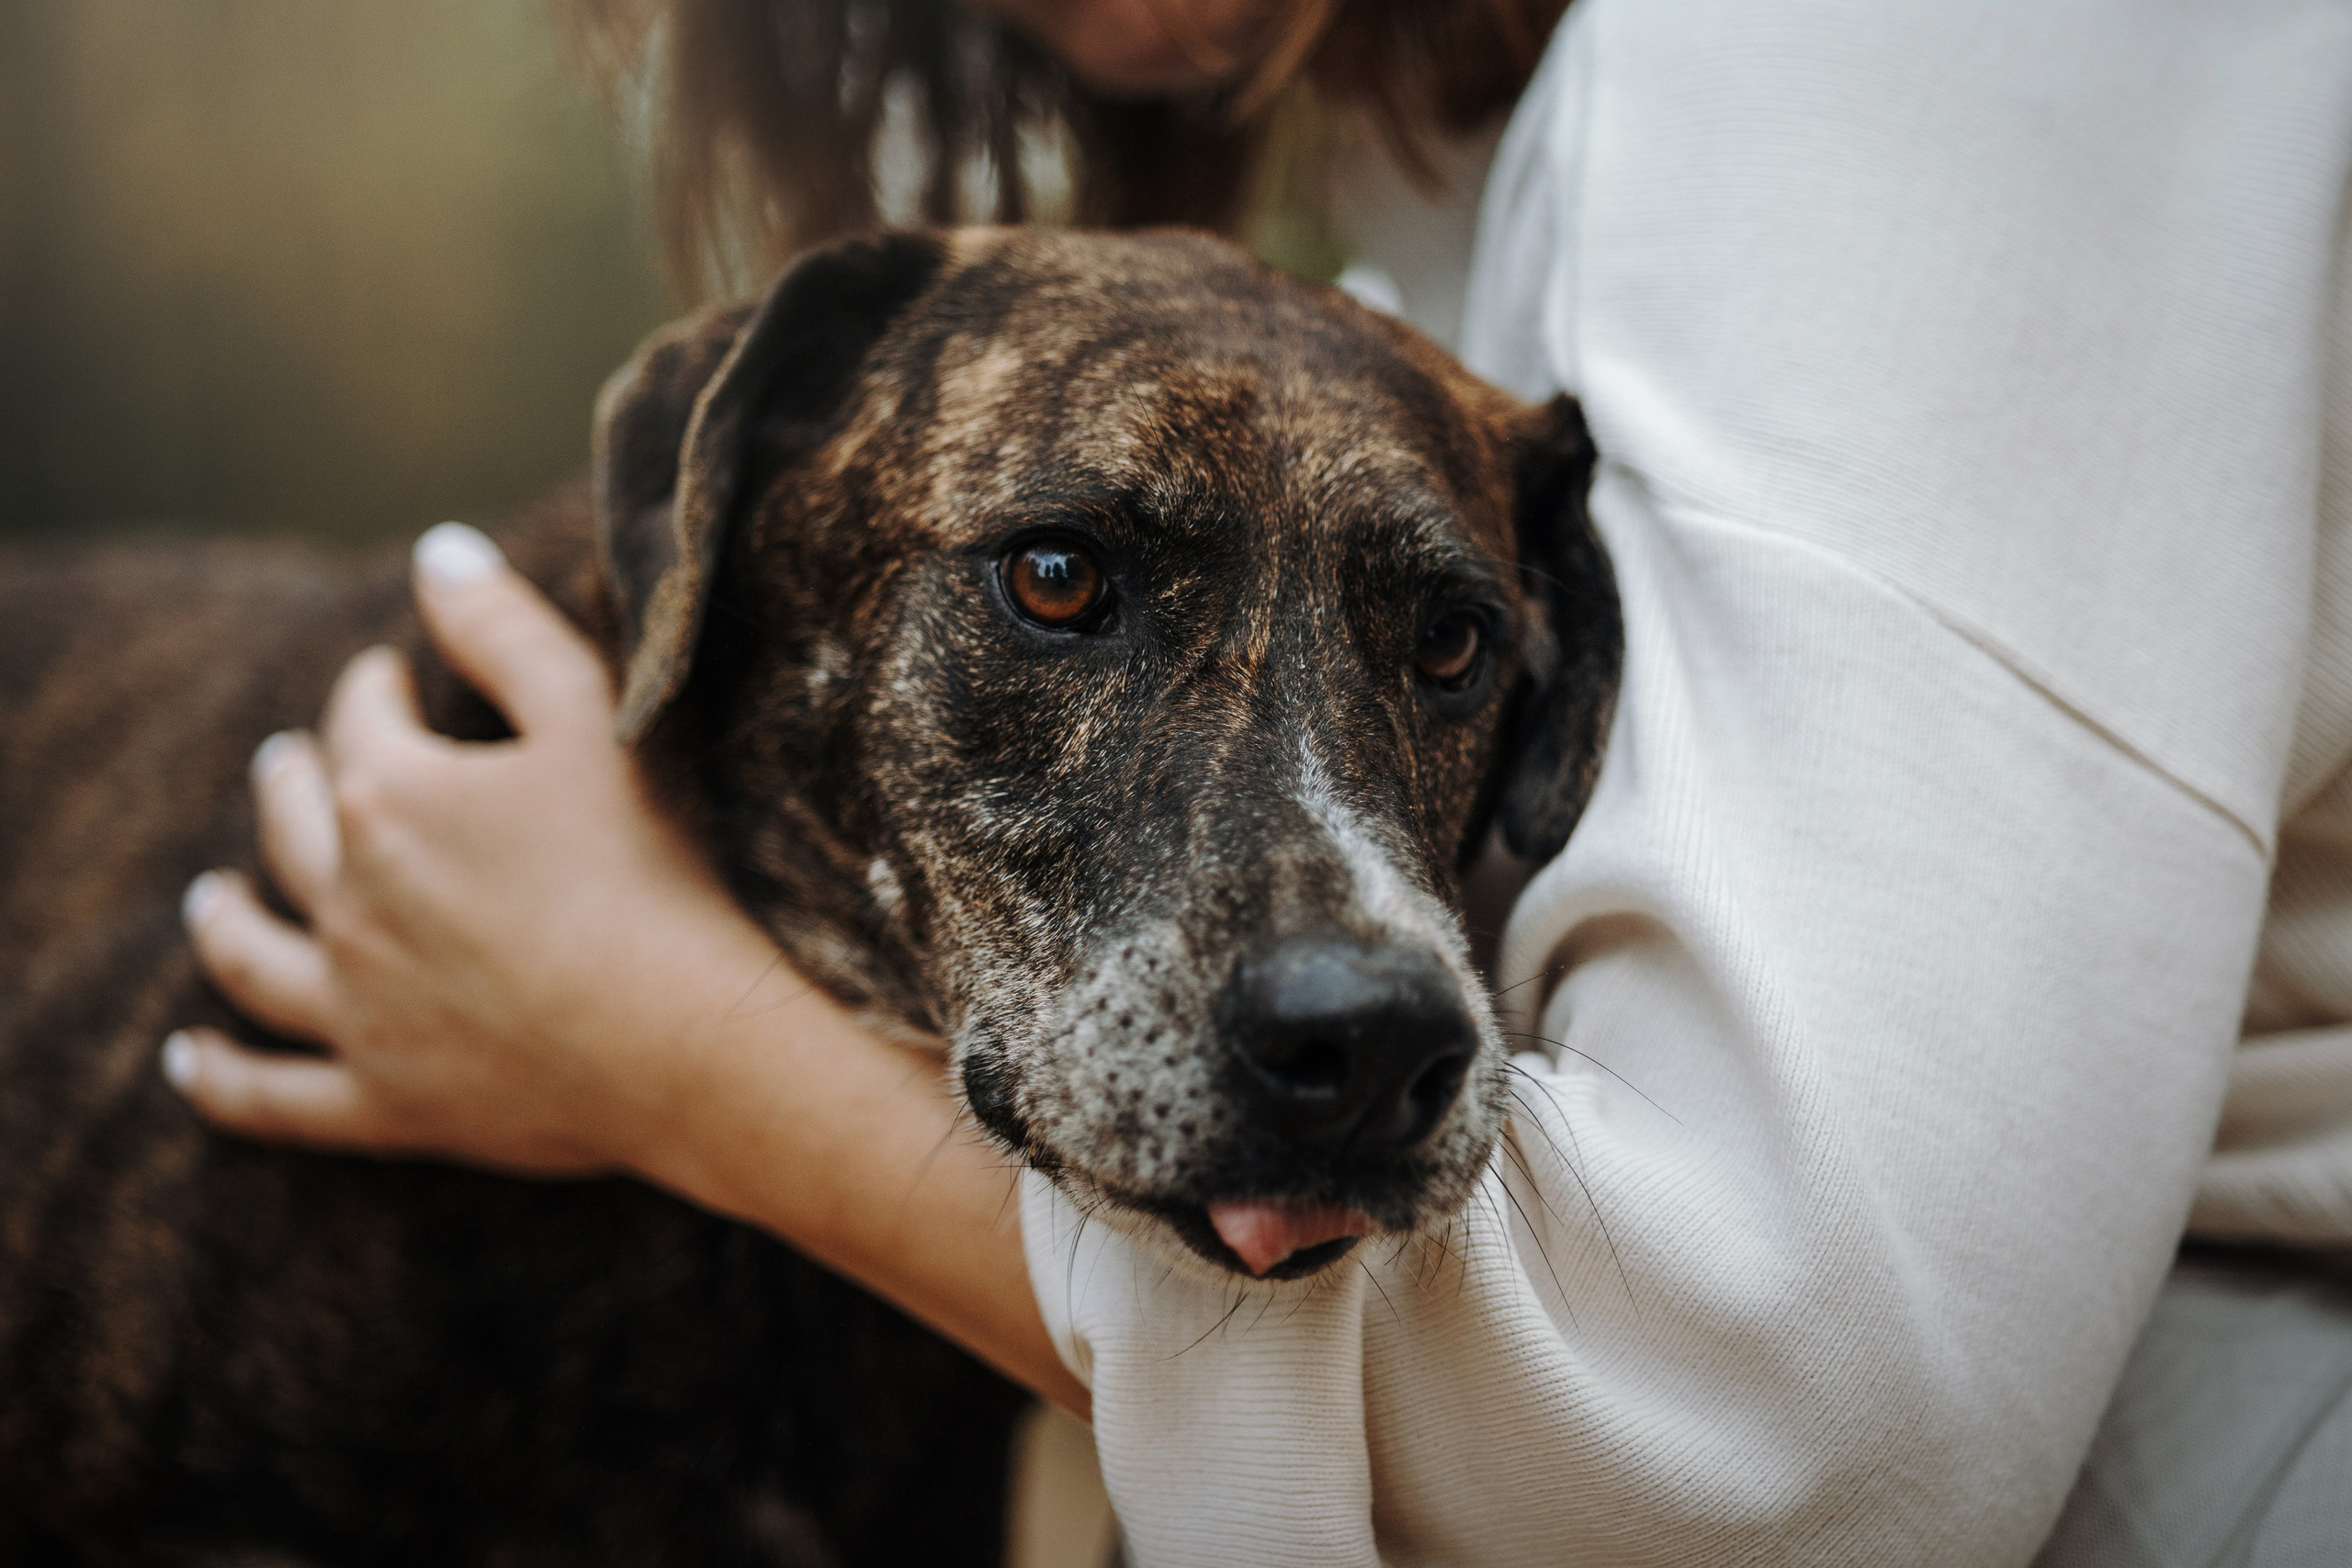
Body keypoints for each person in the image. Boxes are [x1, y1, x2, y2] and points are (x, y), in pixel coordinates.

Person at [163, 0, 2352, 1562]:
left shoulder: (1904, 59)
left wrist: (657, 1037)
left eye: (1434, 647)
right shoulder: (1424, 123)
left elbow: (1779, 1436)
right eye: (1054, 579)